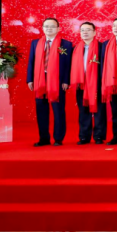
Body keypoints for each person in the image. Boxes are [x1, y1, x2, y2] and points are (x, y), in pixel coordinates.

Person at [26, 17, 72, 146]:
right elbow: (31, 62)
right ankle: (44, 138)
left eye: (52, 26)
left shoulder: (66, 44)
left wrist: (66, 80)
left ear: (58, 29)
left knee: (58, 110)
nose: (49, 29)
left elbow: (68, 65)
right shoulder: (35, 43)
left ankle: (58, 138)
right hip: (40, 79)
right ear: (42, 28)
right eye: (46, 26)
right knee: (41, 110)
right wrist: (30, 79)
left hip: (57, 80)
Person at [70, 22, 106, 145]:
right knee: (83, 110)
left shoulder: (101, 47)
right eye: (82, 30)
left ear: (94, 32)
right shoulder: (75, 48)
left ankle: (99, 136)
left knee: (99, 110)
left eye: (88, 30)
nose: (85, 32)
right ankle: (84, 136)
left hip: (97, 83)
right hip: (81, 83)